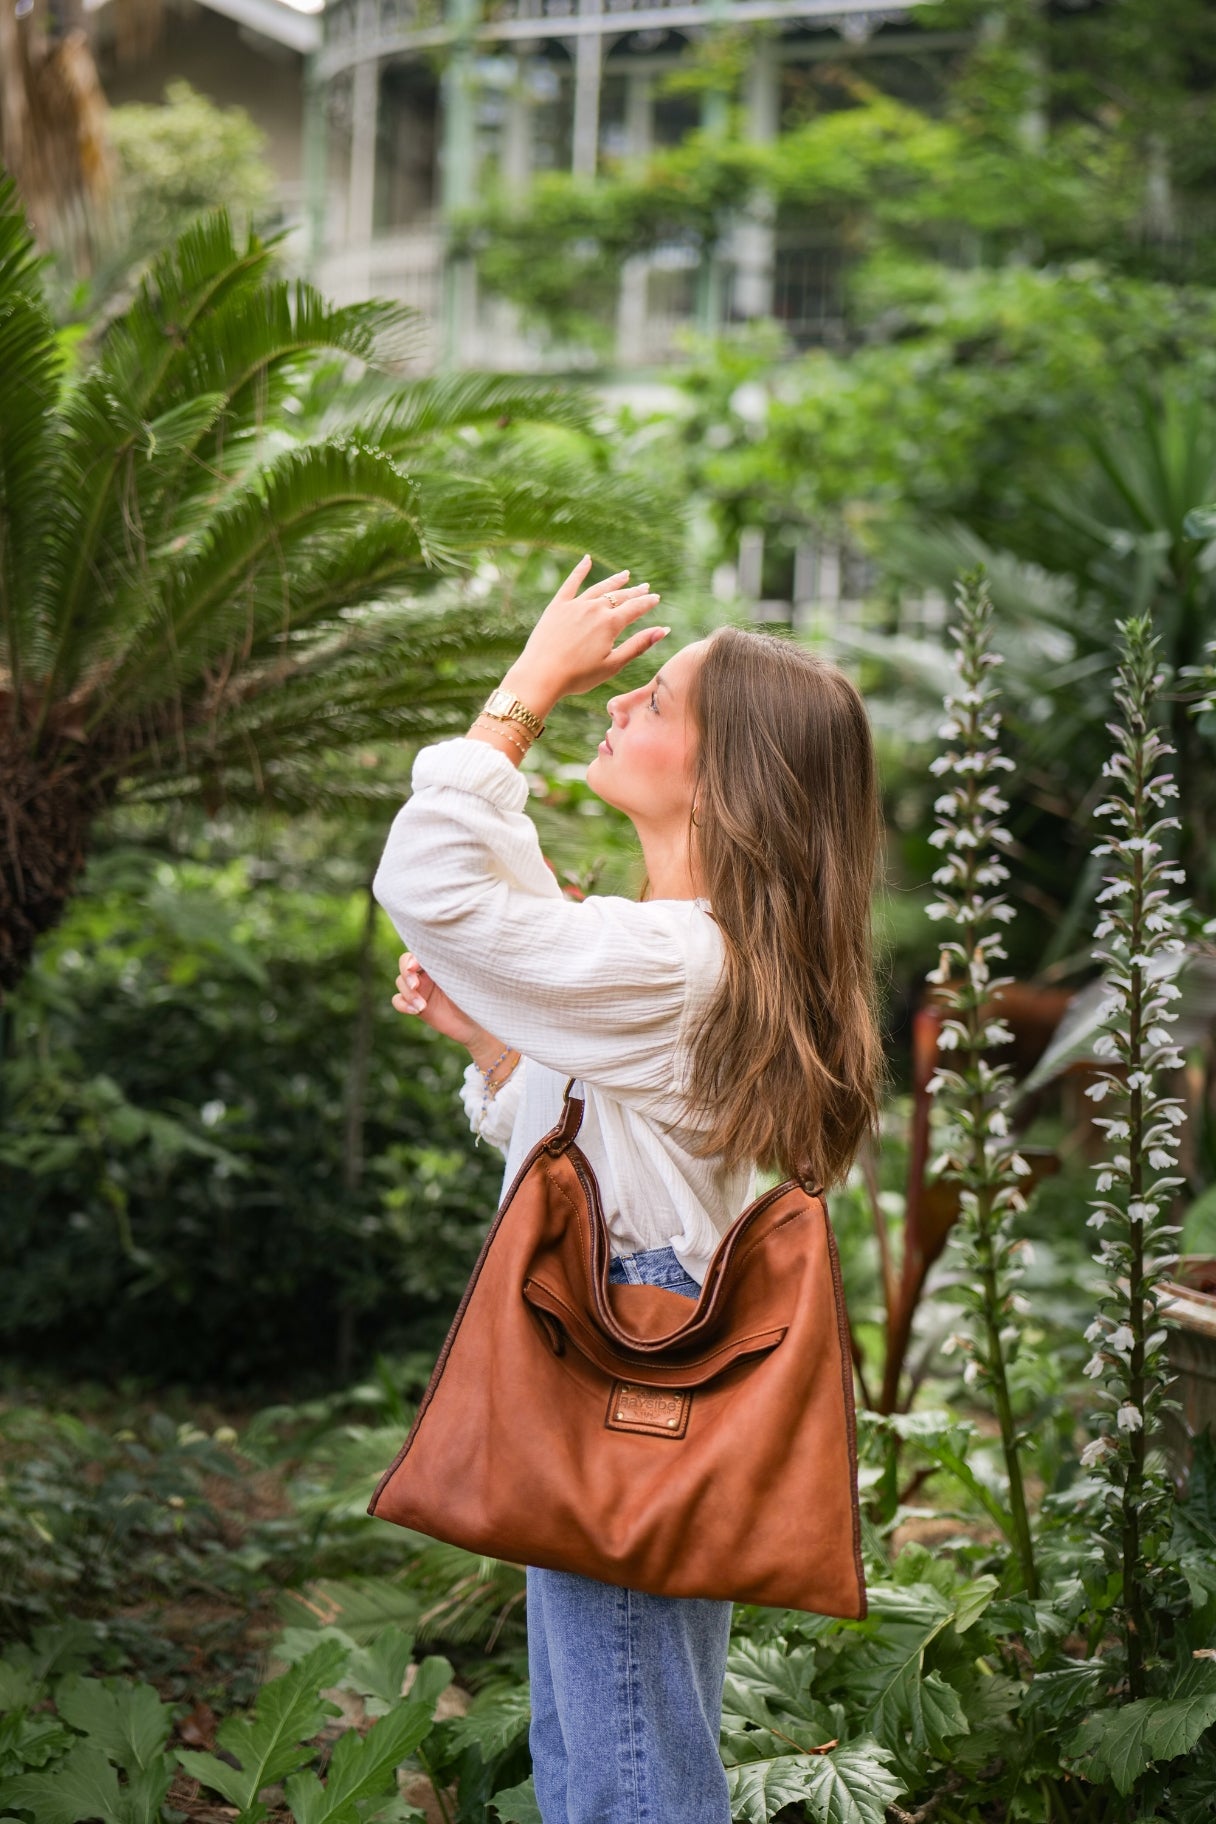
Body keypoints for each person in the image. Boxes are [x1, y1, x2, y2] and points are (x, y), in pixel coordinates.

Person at [372, 555, 883, 1824]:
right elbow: (628, 1153)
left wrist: (525, 688)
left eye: (653, 703)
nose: (618, 706)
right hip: (644, 1326)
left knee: (625, 1771)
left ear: (725, 781)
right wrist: (502, 1052)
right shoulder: (699, 955)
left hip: (621, 1343)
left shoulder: (680, 958)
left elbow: (429, 884)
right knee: (608, 1735)